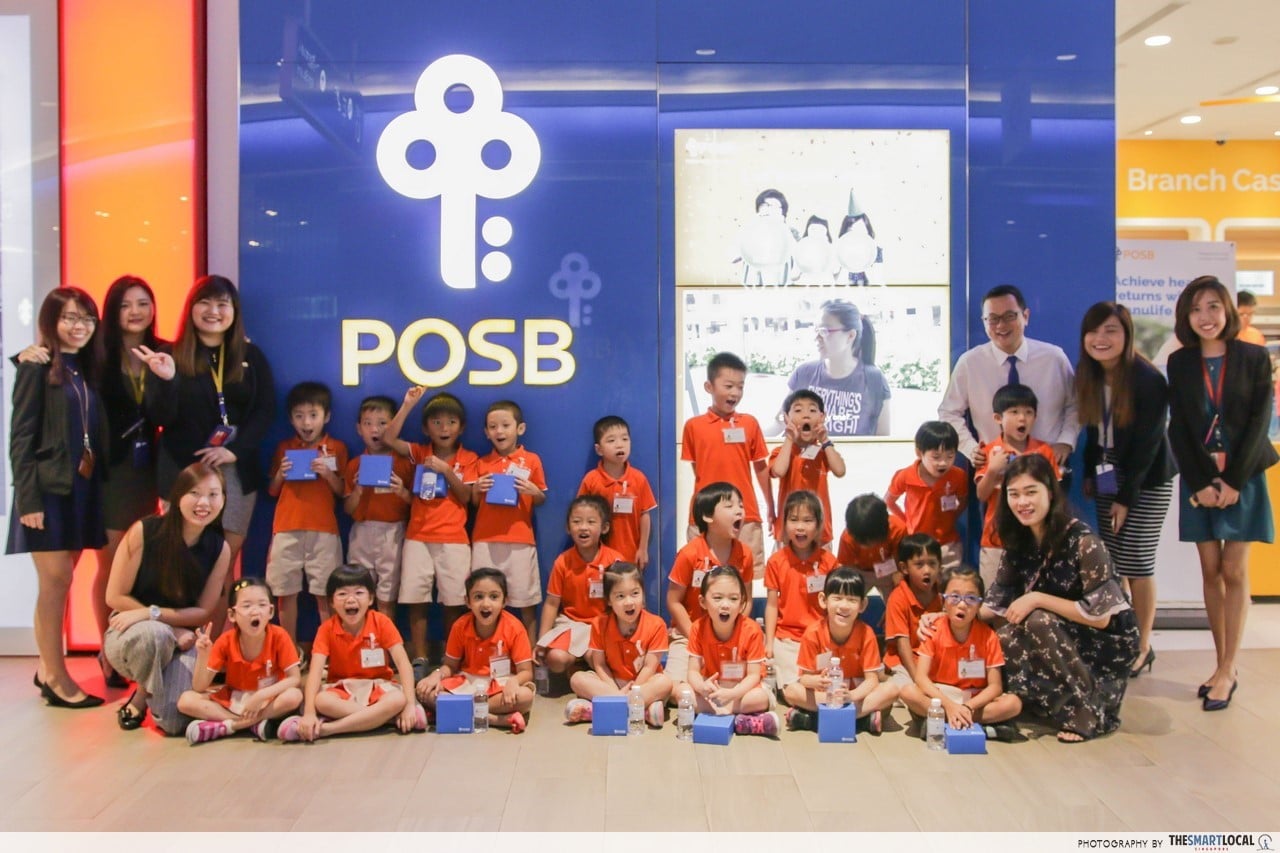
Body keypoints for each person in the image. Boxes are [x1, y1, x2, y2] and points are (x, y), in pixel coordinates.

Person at [20, 276, 168, 688]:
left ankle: (105, 654)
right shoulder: (95, 353)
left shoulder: (166, 351)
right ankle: (96, 655)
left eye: (143, 303)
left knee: (128, 564)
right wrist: (27, 355)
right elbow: (52, 370)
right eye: (125, 305)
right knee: (89, 567)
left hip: (144, 470)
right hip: (101, 471)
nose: (135, 312)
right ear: (111, 312)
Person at [1166, 276, 1277, 711]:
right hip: (1199, 479)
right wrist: (1200, 484)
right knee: (1209, 570)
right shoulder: (1180, 362)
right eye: (1196, 309)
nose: (1205, 316)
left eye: (1213, 306)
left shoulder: (1253, 356)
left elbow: (1259, 422)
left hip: (1243, 476)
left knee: (1233, 570)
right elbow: (1180, 427)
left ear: (1227, 310)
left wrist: (1232, 481)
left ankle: (1230, 669)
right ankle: (1219, 664)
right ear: (1186, 317)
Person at [135, 274, 275, 607]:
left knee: (224, 560)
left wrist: (234, 451)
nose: (214, 311)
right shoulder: (168, 355)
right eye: (205, 303)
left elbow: (265, 410)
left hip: (236, 470)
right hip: (183, 469)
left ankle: (217, 636)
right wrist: (167, 380)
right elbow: (159, 417)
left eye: (222, 304)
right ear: (191, 308)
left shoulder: (250, 355)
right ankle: (182, 635)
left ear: (234, 311)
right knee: (182, 557)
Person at [978, 454, 1139, 742]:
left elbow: (1102, 619)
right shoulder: (1019, 541)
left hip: (1103, 643)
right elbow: (993, 606)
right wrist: (947, 612)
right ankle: (1039, 702)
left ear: (1050, 492)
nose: (1022, 502)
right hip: (1057, 633)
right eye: (1014, 494)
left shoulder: (1085, 543)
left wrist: (1037, 598)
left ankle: (1088, 714)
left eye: (1031, 492)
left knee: (1037, 620)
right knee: (1003, 637)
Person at [8, 287, 110, 708]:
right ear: (51, 322)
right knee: (56, 582)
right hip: (46, 492)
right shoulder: (35, 366)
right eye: (69, 317)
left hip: (79, 490)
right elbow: (21, 438)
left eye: (86, 318)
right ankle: (57, 677)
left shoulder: (83, 367)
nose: (78, 326)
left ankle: (45, 667)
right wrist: (28, 500)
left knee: (58, 585)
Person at [1076, 302, 1176, 678]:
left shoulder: (1148, 380)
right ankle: (1123, 638)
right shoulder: (1091, 376)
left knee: (1137, 562)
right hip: (1108, 470)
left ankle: (1143, 645)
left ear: (1127, 335)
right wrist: (1092, 473)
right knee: (1115, 561)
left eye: (1111, 330)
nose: (1100, 339)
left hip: (1144, 478)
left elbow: (1148, 446)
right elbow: (1094, 432)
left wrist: (1124, 499)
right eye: (1094, 331)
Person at [104, 464, 232, 733]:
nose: (204, 503)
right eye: (195, 493)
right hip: (132, 633)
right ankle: (141, 695)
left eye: (213, 494)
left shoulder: (220, 548)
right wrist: (165, 625)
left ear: (223, 499)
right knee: (156, 635)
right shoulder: (145, 531)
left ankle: (147, 694)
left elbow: (203, 611)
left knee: (175, 723)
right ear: (178, 495)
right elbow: (114, 595)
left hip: (182, 639)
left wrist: (155, 616)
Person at [383, 387, 478, 670]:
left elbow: (467, 497)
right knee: (416, 600)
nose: (444, 428)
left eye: (451, 422)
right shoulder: (419, 452)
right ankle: (420, 658)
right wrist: (407, 404)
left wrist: (447, 471)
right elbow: (388, 438)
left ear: (461, 427)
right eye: (437, 422)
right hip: (418, 537)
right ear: (426, 428)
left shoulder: (469, 458)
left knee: (454, 602)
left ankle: (451, 659)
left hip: (454, 539)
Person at [938, 284, 1078, 468]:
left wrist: (1066, 441)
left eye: (1009, 316)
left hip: (1048, 466)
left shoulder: (1054, 358)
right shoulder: (970, 363)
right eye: (993, 319)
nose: (1001, 325)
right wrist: (970, 448)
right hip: (994, 469)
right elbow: (948, 412)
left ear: (1025, 316)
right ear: (984, 322)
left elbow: (1075, 405)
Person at [279, 565, 423, 741]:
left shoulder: (382, 622)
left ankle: (327, 729)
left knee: (398, 700)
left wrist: (409, 704)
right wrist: (309, 713)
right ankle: (385, 718)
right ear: (332, 602)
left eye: (359, 593)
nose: (350, 599)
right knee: (321, 701)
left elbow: (403, 664)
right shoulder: (326, 629)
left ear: (371, 598)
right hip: (342, 688)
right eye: (342, 594)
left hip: (378, 686)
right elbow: (315, 672)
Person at [266, 381, 348, 650]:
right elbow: (272, 490)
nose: (307, 422)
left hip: (324, 530)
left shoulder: (336, 447)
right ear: (291, 419)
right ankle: (288, 650)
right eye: (299, 416)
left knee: (326, 592)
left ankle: (329, 650)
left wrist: (328, 474)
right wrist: (281, 474)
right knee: (284, 591)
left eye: (313, 415)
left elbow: (342, 491)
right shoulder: (284, 448)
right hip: (286, 527)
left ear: (327, 416)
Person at [177, 577, 302, 744]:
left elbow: (295, 678)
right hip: (234, 699)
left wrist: (261, 695)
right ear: (232, 615)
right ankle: (247, 724)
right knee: (186, 700)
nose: (255, 611)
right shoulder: (225, 641)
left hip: (269, 698)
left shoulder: (280, 636)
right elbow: (199, 687)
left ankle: (226, 726)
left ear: (271, 612)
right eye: (247, 606)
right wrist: (203, 655)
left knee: (294, 696)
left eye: (262, 605)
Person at [901, 566, 1021, 740]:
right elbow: (921, 678)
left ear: (980, 604)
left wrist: (967, 707)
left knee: (1013, 704)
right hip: (942, 695)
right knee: (908, 692)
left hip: (974, 700)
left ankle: (941, 722)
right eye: (954, 597)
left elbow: (995, 686)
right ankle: (983, 728)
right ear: (943, 600)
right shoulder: (933, 630)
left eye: (971, 598)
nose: (962, 604)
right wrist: (949, 705)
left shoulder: (989, 636)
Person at [682, 352, 772, 575]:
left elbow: (761, 467)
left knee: (745, 578)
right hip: (705, 515)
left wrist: (771, 506)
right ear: (709, 387)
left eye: (740, 387)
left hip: (745, 515)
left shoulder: (749, 423)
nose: (735, 393)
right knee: (703, 577)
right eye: (729, 386)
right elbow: (698, 469)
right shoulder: (693, 426)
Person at [415, 568, 535, 734]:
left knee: (525, 697)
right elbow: (450, 666)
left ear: (505, 601)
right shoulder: (460, 626)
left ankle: (454, 711)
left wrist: (514, 682)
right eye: (478, 597)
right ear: (468, 601)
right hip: (467, 683)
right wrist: (436, 675)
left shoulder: (515, 628)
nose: (486, 604)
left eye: (494, 597)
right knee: (425, 692)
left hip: (499, 685)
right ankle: (495, 720)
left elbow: (526, 672)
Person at [783, 568, 899, 734]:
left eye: (852, 600)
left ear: (863, 605)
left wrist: (851, 696)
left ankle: (814, 719)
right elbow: (804, 679)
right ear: (823, 600)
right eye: (837, 598)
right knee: (791, 691)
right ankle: (860, 720)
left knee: (892, 690)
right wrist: (817, 681)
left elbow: (872, 680)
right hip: (825, 695)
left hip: (854, 694)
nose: (844, 606)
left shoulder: (866, 634)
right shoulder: (813, 633)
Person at [470, 400, 547, 641]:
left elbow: (541, 498)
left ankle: (530, 651)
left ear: (520, 428)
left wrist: (534, 491)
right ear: (486, 432)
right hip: (485, 538)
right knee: (483, 597)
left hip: (520, 539)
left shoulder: (532, 460)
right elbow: (474, 503)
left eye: (505, 425)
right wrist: (477, 489)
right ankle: (484, 650)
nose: (499, 431)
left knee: (525, 598)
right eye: (493, 427)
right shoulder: (481, 462)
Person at [665, 482, 754, 685]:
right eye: (729, 506)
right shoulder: (689, 554)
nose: (739, 511)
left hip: (731, 638)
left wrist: (734, 631)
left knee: (749, 688)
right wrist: (695, 636)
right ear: (707, 516)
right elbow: (673, 601)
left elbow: (746, 600)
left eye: (741, 505)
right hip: (688, 636)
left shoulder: (746, 555)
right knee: (675, 687)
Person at [973, 384, 1060, 587]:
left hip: (1036, 539)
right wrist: (993, 470)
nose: (1022, 419)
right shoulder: (990, 451)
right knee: (995, 597)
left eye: (1028, 412)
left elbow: (1054, 493)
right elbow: (981, 495)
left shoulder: (1044, 451)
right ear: (998, 418)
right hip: (996, 541)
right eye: (1014, 412)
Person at [565, 561, 671, 727]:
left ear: (643, 594)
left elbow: (649, 667)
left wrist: (634, 690)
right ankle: (640, 711)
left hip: (643, 685)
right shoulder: (599, 624)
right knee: (577, 679)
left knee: (665, 683)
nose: (629, 602)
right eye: (620, 596)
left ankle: (598, 710)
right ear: (609, 600)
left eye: (635, 593)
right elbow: (600, 665)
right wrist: (617, 693)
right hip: (611, 684)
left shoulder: (657, 625)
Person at [676, 566, 779, 736]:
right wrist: (702, 687)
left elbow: (754, 676)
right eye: (717, 598)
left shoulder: (752, 630)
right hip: (713, 689)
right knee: (682, 692)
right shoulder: (697, 628)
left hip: (742, 690)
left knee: (760, 698)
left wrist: (732, 694)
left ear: (742, 603)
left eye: (733, 599)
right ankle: (742, 721)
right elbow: (693, 671)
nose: (725, 605)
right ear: (703, 602)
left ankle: (721, 711)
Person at [535, 495, 624, 678]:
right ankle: (575, 664)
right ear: (568, 528)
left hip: (603, 626)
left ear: (604, 528)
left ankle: (583, 670)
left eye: (591, 522)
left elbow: (624, 600)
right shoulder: (562, 562)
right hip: (571, 624)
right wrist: (543, 641)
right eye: (577, 521)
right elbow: (552, 603)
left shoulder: (615, 560)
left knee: (597, 659)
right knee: (556, 659)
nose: (583, 527)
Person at [342, 395, 414, 616]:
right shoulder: (355, 464)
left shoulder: (404, 463)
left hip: (393, 532)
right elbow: (347, 509)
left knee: (386, 598)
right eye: (368, 423)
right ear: (359, 429)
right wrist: (358, 490)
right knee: (357, 592)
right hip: (362, 531)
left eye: (383, 423)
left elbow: (417, 505)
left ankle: (384, 638)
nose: (375, 429)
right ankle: (359, 636)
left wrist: (402, 491)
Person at [763, 490, 838, 694]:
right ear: (784, 524)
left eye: (807, 520)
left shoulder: (829, 562)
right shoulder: (776, 561)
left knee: (827, 683)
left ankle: (817, 703)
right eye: (793, 519)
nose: (800, 527)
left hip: (821, 638)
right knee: (792, 689)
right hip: (787, 640)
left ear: (819, 524)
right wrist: (769, 643)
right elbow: (772, 605)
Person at [785, 299, 890, 437]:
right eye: (816, 330)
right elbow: (781, 422)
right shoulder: (804, 374)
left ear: (850, 335)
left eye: (824, 330)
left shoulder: (874, 380)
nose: (817, 337)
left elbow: (883, 441)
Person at [576, 415, 657, 570]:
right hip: (598, 556)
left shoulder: (639, 478)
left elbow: (644, 515)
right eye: (611, 440)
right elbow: (581, 515)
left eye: (625, 439)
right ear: (599, 449)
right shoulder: (591, 480)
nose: (620, 445)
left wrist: (643, 549)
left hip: (631, 556)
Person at [885, 421, 968, 569]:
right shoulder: (905, 475)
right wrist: (906, 522)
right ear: (919, 453)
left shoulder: (958, 476)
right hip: (917, 542)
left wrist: (952, 517)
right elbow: (889, 501)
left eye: (950, 456)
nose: (943, 463)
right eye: (936, 457)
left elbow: (963, 500)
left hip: (948, 542)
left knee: (949, 578)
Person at [769, 389, 846, 547]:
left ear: (822, 417)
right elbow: (779, 471)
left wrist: (825, 441)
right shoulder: (781, 451)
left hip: (819, 532)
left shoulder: (824, 451)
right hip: (788, 532)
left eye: (812, 410)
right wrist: (789, 438)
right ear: (786, 418)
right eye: (798, 410)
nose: (806, 415)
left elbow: (840, 471)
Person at [882, 534, 943, 687]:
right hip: (904, 664)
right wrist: (918, 681)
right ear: (904, 568)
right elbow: (903, 645)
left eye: (932, 563)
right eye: (919, 564)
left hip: (933, 661)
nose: (927, 570)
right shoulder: (898, 598)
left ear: (940, 565)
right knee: (906, 689)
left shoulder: (943, 593)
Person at [836, 493, 906, 601]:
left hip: (891, 571)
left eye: (872, 540)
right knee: (848, 598)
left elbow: (901, 557)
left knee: (899, 598)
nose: (869, 545)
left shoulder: (898, 529)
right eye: (864, 542)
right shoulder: (847, 538)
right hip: (860, 572)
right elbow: (847, 568)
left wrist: (899, 573)